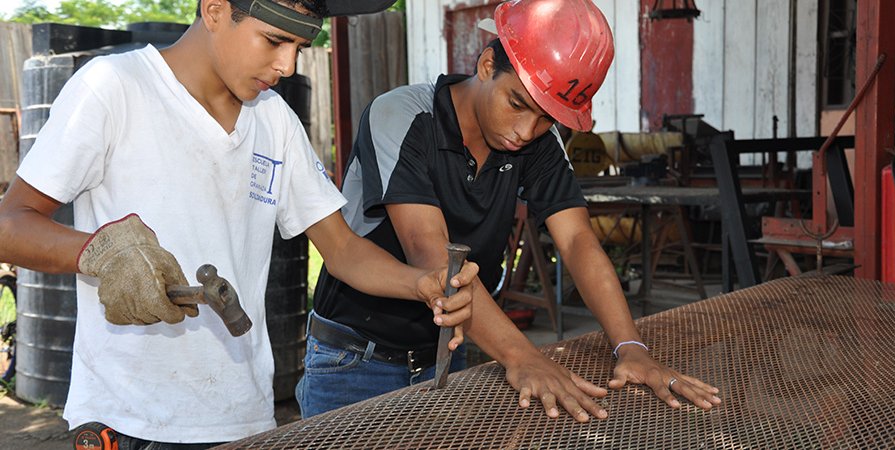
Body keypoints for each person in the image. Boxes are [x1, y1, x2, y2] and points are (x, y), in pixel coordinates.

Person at [0, 0, 479, 448]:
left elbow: (343, 249)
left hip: (243, 416)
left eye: (299, 48)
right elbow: (10, 222)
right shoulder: (114, 87)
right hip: (131, 419)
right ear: (215, 10)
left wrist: (421, 283)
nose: (288, 66)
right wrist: (98, 252)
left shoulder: (274, 120)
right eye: (274, 41)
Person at [297, 0, 722, 422]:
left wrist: (631, 348)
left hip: (446, 351)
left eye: (546, 119)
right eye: (517, 103)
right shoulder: (402, 116)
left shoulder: (538, 143)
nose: (525, 131)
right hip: (354, 361)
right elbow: (431, 254)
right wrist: (522, 355)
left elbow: (576, 240)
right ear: (486, 65)